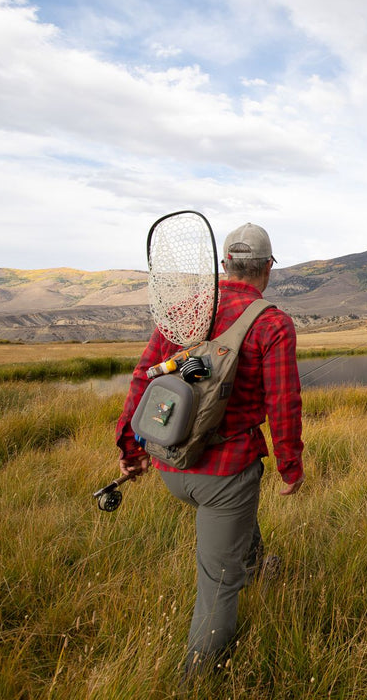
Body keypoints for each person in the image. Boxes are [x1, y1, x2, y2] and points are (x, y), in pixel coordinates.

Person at [115, 221, 304, 675]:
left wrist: (130, 444)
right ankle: (195, 680)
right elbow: (284, 403)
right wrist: (290, 466)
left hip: (170, 462)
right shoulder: (272, 323)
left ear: (226, 265)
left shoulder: (186, 310)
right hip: (222, 476)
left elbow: (145, 377)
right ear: (268, 269)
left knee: (243, 497)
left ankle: (259, 565)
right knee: (219, 585)